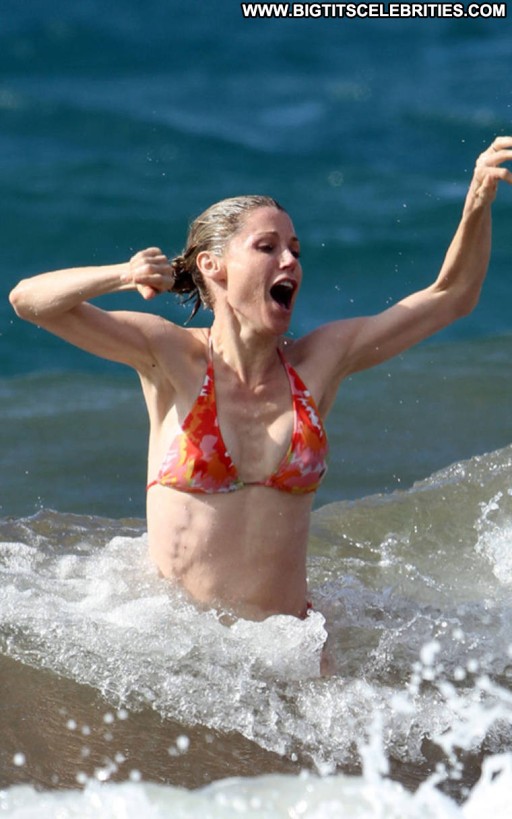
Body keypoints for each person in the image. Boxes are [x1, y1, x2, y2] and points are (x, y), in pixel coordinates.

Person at [9, 137, 512, 624]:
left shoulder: (318, 363)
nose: (290, 260)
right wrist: (121, 275)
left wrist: (477, 200)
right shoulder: (170, 355)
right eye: (267, 247)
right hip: (182, 651)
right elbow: (28, 302)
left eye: (295, 249)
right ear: (213, 266)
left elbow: (451, 297)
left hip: (290, 649)